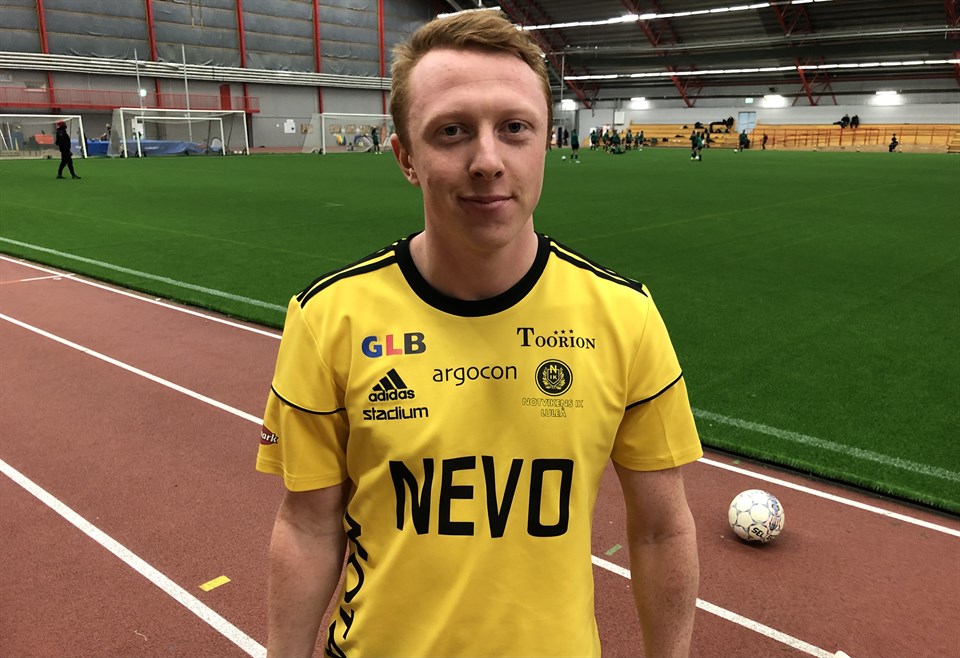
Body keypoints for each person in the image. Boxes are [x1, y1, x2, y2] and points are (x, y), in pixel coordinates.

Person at [256, 10, 701, 658]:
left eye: (515, 128)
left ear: (545, 142)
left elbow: (663, 532)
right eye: (452, 131)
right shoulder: (329, 318)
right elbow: (307, 526)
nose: (488, 161)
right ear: (406, 157)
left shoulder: (624, 317)